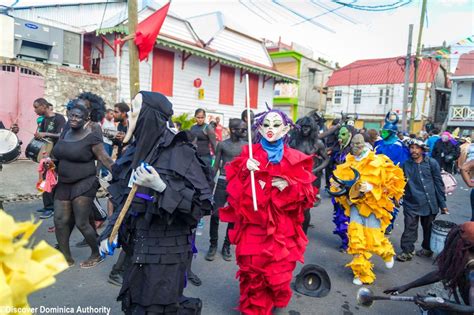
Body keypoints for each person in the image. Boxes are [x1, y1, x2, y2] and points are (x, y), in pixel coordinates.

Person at [99, 91, 212, 314]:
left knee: (157, 308)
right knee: (135, 304)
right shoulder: (135, 152)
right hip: (138, 248)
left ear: (149, 116)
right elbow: (125, 203)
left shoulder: (181, 152)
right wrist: (109, 234)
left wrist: (162, 188)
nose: (128, 115)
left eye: (134, 109)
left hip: (168, 253)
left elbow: (202, 206)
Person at [220, 109, 316, 314]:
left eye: (275, 125)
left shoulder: (296, 157)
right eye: (266, 125)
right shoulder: (249, 154)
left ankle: (273, 302)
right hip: (254, 226)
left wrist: (289, 185)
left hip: (282, 230)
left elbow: (308, 196)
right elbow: (234, 190)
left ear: (286, 129)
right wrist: (245, 169)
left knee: (277, 273)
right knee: (253, 272)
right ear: (259, 129)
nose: (270, 129)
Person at [329, 134, 405, 285]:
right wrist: (337, 186)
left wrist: (371, 187)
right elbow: (339, 180)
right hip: (355, 206)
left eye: (359, 144)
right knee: (356, 238)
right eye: (353, 144)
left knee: (374, 237)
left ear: (364, 144)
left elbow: (391, 184)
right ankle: (362, 273)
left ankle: (386, 252)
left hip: (372, 207)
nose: (355, 147)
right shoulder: (349, 161)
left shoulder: (377, 160)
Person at [52, 101, 114, 268]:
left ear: (85, 118)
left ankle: (96, 253)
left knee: (81, 222)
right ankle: (66, 257)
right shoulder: (65, 132)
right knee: (60, 219)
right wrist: (50, 162)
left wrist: (120, 173)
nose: (73, 119)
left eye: (78, 116)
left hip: (84, 182)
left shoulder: (91, 136)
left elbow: (104, 158)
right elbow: (57, 154)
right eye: (71, 115)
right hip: (64, 183)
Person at [385, 222, 474, 314]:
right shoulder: (465, 259)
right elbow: (441, 274)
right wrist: (407, 286)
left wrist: (442, 305)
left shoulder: (472, 273)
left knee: (437, 308)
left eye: (455, 241)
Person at [396, 139, 448, 262]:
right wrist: (397, 197)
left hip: (429, 202)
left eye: (416, 148)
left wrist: (443, 204)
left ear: (422, 150)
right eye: (411, 148)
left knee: (428, 227)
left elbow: (438, 184)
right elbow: (399, 183)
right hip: (411, 203)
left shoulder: (432, 163)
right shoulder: (405, 165)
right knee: (409, 227)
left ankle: (427, 249)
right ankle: (407, 251)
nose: (413, 150)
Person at [205, 118, 247, 262]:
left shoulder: (247, 146)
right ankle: (213, 244)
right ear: (234, 130)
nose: (245, 131)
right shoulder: (222, 145)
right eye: (243, 129)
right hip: (223, 182)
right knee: (215, 214)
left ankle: (226, 245)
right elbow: (216, 165)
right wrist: (209, 184)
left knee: (234, 216)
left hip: (239, 185)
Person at [289, 115, 329, 232]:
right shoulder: (294, 142)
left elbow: (326, 159)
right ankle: (293, 231)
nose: (305, 129)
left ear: (312, 128)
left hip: (311, 179)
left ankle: (303, 233)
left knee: (306, 208)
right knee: (293, 206)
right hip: (295, 178)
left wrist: (315, 171)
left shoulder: (318, 143)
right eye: (303, 127)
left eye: (308, 127)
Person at [375, 112, 409, 234]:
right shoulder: (379, 144)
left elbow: (402, 164)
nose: (383, 133)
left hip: (393, 181)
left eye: (386, 131)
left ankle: (388, 225)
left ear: (393, 133)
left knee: (391, 205)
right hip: (377, 178)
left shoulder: (399, 146)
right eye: (382, 131)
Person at [33, 98, 66, 219]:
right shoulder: (44, 120)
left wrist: (45, 134)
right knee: (44, 179)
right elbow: (42, 135)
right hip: (46, 155)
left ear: (43, 106)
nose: (35, 110)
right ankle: (47, 205)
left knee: (51, 180)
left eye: (36, 107)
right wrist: (38, 135)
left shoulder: (59, 118)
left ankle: (51, 208)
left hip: (56, 155)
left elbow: (61, 135)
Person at [330, 125, 355, 251]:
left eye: (343, 134)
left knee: (348, 214)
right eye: (339, 134)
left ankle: (349, 242)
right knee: (339, 212)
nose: (340, 137)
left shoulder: (353, 151)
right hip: (336, 186)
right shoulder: (339, 150)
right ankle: (345, 240)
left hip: (348, 187)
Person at [100, 108, 116, 177]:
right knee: (105, 158)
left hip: (111, 143)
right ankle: (104, 174)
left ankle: (107, 173)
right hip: (104, 142)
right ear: (106, 114)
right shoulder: (103, 120)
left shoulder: (113, 122)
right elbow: (100, 131)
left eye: (113, 114)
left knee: (109, 158)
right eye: (111, 114)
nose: (112, 115)